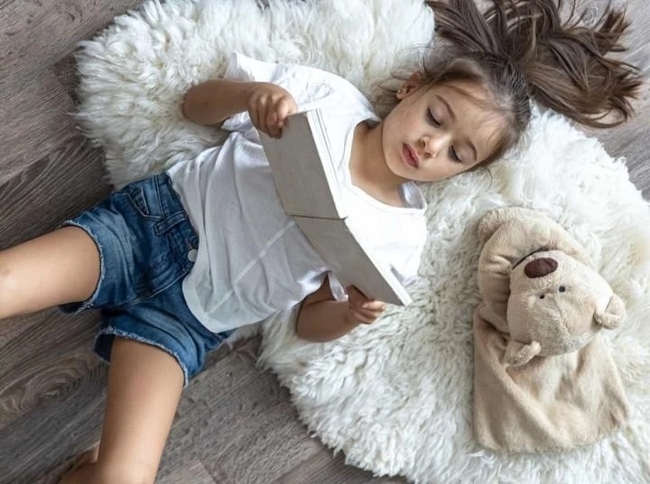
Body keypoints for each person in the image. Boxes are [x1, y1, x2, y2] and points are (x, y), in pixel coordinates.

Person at [0, 0, 641, 482]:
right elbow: (195, 106)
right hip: (148, 230)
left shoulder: (401, 235)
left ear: (460, 173)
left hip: (192, 320)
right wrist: (253, 97)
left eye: (457, 152)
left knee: (123, 478)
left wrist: (349, 313)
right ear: (410, 89)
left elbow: (306, 324)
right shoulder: (325, 99)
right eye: (435, 117)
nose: (430, 144)